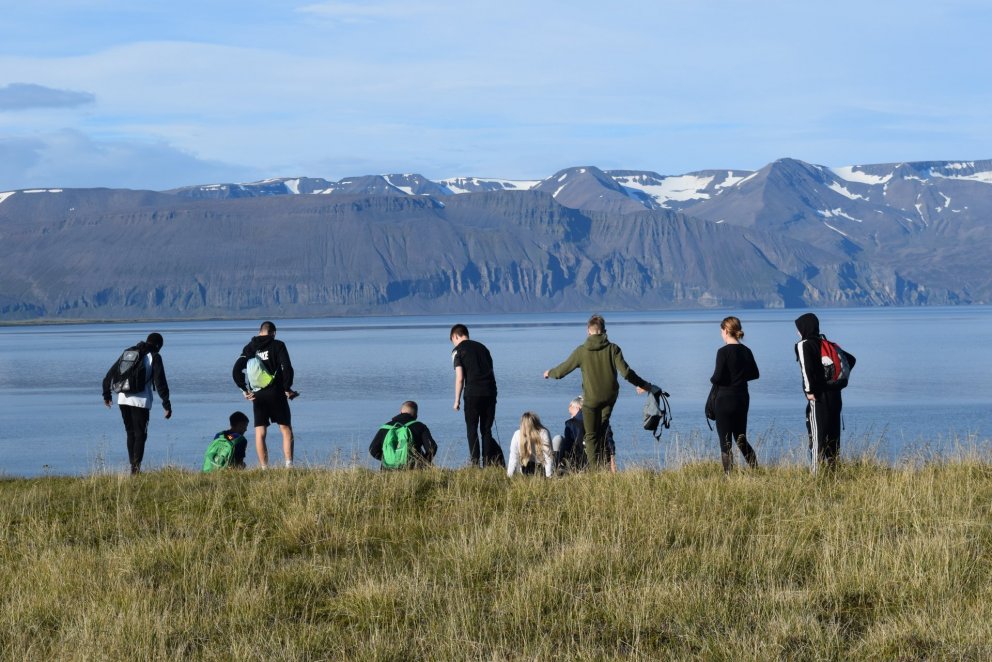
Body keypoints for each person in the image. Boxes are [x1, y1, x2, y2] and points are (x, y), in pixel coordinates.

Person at [544, 315, 657, 468]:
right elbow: (626, 373)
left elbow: (560, 372)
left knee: (590, 436)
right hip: (610, 398)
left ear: (588, 331)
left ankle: (594, 472)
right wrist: (644, 385)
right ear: (604, 331)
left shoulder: (582, 351)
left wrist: (549, 373)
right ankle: (605, 465)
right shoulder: (613, 349)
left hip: (591, 401)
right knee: (602, 430)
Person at [101, 332, 172, 474]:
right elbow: (160, 382)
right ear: (158, 345)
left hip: (123, 398)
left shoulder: (129, 352)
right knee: (140, 434)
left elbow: (110, 374)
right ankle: (135, 470)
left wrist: (107, 394)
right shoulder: (154, 357)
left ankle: (133, 468)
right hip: (141, 401)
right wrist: (166, 404)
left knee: (130, 433)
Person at [232, 321, 298, 468]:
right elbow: (287, 367)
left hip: (257, 395)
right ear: (274, 333)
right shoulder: (278, 345)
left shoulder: (249, 348)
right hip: (276, 393)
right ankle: (289, 466)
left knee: (260, 432)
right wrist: (287, 388)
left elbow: (236, 370)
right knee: (285, 429)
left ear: (259, 331)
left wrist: (244, 390)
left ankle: (264, 468)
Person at [795, 312, 850, 472]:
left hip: (819, 396)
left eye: (798, 328)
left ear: (804, 328)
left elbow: (806, 369)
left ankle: (815, 476)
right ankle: (834, 474)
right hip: (835, 395)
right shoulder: (826, 343)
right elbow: (850, 360)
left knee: (817, 436)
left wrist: (809, 391)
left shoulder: (804, 344)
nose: (797, 332)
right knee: (833, 437)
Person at [710, 316, 760, 474]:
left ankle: (728, 477)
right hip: (742, 398)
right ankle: (755, 470)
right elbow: (755, 374)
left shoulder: (722, 352)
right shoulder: (747, 351)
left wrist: (720, 379)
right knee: (741, 438)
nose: (721, 334)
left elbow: (717, 378)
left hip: (724, 399)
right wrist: (739, 377)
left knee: (725, 443)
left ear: (725, 330)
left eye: (721, 331)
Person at [450, 324, 505, 468]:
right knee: (486, 431)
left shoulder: (457, 351)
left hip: (472, 393)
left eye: (452, 340)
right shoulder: (484, 349)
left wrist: (456, 400)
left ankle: (475, 465)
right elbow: (491, 372)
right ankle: (487, 464)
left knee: (472, 429)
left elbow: (460, 377)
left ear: (456, 336)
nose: (453, 343)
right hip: (490, 392)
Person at [551, 395, 617, 474]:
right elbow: (609, 441)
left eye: (571, 414)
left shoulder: (571, 424)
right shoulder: (602, 420)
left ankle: (554, 469)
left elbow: (567, 446)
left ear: (577, 408)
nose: (571, 416)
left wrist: (558, 461)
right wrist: (612, 459)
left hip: (580, 464)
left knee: (558, 439)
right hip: (601, 462)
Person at [369, 400, 438, 469]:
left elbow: (372, 449)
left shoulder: (386, 427)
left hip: (388, 472)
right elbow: (432, 448)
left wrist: (387, 459)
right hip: (413, 470)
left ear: (401, 412)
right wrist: (424, 463)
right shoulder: (420, 426)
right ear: (416, 415)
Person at [506, 411, 555, 477]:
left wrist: (509, 476)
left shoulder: (517, 434)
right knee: (558, 439)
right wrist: (549, 476)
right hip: (541, 470)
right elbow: (548, 457)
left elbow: (513, 458)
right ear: (536, 422)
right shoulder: (543, 432)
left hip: (525, 470)